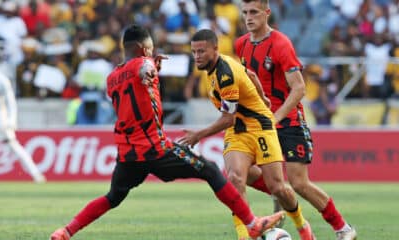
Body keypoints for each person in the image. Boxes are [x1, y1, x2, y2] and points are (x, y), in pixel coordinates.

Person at [50, 24, 284, 240]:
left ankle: (66, 232)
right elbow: (142, 69)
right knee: (211, 170)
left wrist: (150, 72)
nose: (152, 54)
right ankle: (252, 223)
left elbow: (134, 86)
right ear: (143, 48)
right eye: (150, 49)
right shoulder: (145, 64)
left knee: (112, 197)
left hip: (128, 153)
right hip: (154, 148)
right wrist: (149, 70)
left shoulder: (112, 78)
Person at [234, 1, 357, 240]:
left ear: (266, 13)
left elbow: (299, 88)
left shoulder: (280, 43)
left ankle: (343, 228)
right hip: (260, 123)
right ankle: (281, 200)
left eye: (254, 12)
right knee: (243, 173)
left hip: (289, 121)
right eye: (245, 13)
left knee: (299, 182)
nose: (249, 18)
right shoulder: (241, 45)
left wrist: (276, 117)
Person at [182, 29, 315, 240]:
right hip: (238, 131)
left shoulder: (225, 73)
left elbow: (228, 118)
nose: (197, 56)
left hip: (260, 126)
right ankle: (245, 235)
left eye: (201, 51)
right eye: (194, 52)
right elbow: (251, 75)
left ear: (215, 49)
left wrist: (199, 135)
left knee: (278, 188)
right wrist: (263, 97)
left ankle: (302, 226)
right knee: (235, 178)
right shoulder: (215, 68)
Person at [0, 72, 46, 183]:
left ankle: (36, 174)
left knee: (13, 146)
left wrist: (12, 119)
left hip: (0, 118)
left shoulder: (2, 80)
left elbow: (11, 102)